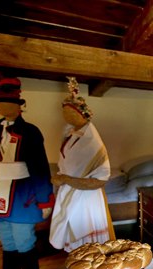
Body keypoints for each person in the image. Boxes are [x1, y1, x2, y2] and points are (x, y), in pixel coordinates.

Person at [0, 77, 54, 269]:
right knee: (8, 241)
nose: (1, 107)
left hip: (23, 195)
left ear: (19, 105)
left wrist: (44, 201)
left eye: (6, 102)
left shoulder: (31, 131)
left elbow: (40, 169)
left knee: (24, 241)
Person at [49, 77, 115, 252]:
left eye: (70, 112)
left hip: (86, 197)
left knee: (85, 231)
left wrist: (65, 179)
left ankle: (89, 263)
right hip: (69, 190)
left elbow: (100, 178)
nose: (65, 116)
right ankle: (76, 260)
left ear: (81, 114)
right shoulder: (71, 135)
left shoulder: (92, 142)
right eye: (64, 112)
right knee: (71, 227)